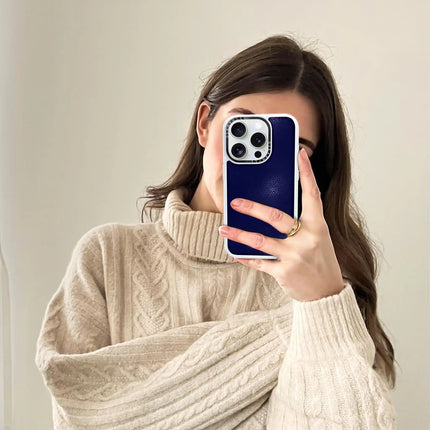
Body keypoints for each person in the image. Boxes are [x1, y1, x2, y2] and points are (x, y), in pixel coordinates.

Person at [35, 34, 398, 429]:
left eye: (290, 147)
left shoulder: (323, 284)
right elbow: (81, 412)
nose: (259, 162)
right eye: (244, 130)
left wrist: (322, 304)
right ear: (205, 124)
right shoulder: (107, 258)